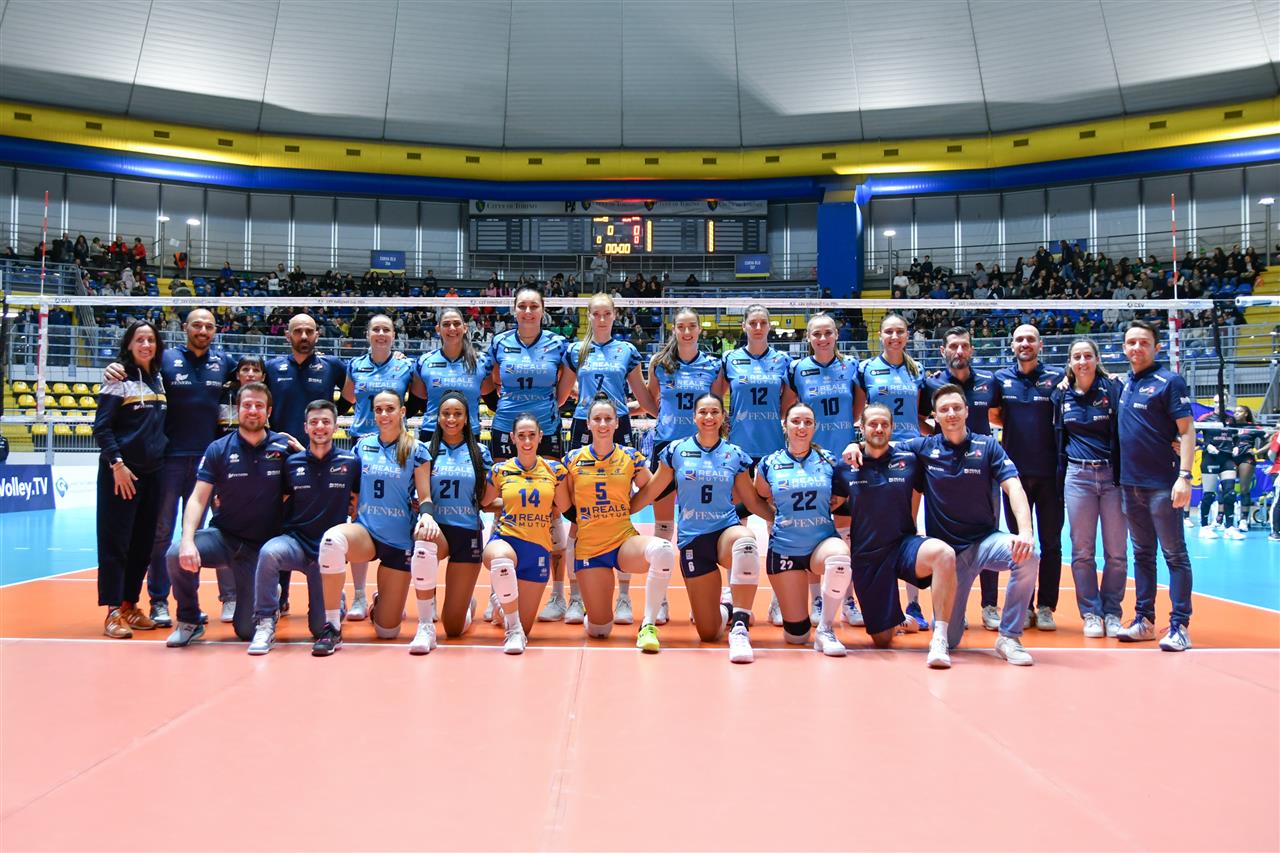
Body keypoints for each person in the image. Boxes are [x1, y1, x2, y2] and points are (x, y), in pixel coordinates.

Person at [850, 384, 1039, 665]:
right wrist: (854, 444)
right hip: (950, 557)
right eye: (944, 409)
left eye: (956, 408)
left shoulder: (987, 446)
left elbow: (1014, 487)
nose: (951, 413)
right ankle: (944, 628)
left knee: (1029, 556)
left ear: (967, 411)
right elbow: (880, 445)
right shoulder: (923, 448)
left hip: (985, 542)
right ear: (935, 416)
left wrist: (1025, 532)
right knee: (951, 640)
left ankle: (1009, 637)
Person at [103, 308, 239, 627]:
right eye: (197, 325)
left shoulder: (224, 362)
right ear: (185, 328)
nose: (202, 331)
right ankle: (158, 601)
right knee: (160, 533)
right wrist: (112, 366)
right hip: (167, 461)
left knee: (194, 535)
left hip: (205, 465)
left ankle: (189, 604)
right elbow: (134, 366)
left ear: (215, 330)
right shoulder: (165, 358)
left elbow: (255, 372)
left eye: (208, 326)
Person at [631, 394, 772, 664]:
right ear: (694, 417)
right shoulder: (676, 451)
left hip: (725, 531)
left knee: (746, 543)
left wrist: (780, 517)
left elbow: (752, 501)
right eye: (703, 412)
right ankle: (728, 609)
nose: (709, 417)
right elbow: (652, 490)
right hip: (693, 540)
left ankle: (740, 625)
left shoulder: (734, 454)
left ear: (722, 417)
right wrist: (624, 510)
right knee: (708, 632)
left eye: (715, 412)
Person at [544, 294, 656, 624]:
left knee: (618, 512)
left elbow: (644, 397)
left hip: (617, 424)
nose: (602, 318)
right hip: (584, 424)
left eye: (607, 313)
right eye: (596, 314)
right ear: (589, 316)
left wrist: (641, 409)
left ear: (615, 315)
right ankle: (574, 598)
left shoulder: (627, 351)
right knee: (580, 515)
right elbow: (561, 395)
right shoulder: (576, 351)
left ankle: (624, 599)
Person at [165, 383, 297, 647]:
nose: (253, 410)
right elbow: (198, 498)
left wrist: (303, 453)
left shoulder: (283, 447)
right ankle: (189, 620)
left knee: (246, 631)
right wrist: (188, 540)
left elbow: (307, 483)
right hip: (225, 538)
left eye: (259, 405)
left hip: (263, 549)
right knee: (175, 553)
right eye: (247, 405)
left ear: (269, 411)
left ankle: (268, 593)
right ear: (238, 410)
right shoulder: (218, 448)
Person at [834, 403, 957, 667]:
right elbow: (832, 504)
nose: (879, 428)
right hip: (868, 556)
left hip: (903, 546)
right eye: (873, 424)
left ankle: (940, 637)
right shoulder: (845, 466)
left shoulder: (909, 460)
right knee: (882, 639)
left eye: (884, 424)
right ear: (862, 427)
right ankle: (898, 620)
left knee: (944, 554)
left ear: (892, 428)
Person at [314, 391, 433, 653]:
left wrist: (425, 514)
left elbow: (425, 496)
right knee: (331, 541)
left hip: (399, 540)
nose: (383, 415)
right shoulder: (362, 446)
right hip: (366, 532)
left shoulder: (416, 449)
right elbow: (347, 481)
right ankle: (331, 626)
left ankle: (380, 602)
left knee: (387, 631)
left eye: (390, 409)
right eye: (378, 410)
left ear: (402, 412)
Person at [563, 394, 675, 652]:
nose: (603, 424)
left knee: (663, 550)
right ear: (588, 423)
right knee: (600, 630)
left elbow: (648, 489)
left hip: (623, 541)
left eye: (608, 419)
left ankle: (648, 625)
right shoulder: (572, 460)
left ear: (616, 423)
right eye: (597, 419)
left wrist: (629, 508)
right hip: (590, 549)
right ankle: (593, 610)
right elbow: (567, 503)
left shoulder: (630, 457)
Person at [246, 401, 359, 655]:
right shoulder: (291, 463)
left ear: (335, 427)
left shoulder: (351, 462)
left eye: (326, 422)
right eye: (314, 422)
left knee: (320, 628)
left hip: (327, 552)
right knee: (269, 553)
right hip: (296, 543)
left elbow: (357, 502)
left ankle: (336, 600)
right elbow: (279, 498)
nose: (320, 427)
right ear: (305, 427)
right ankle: (265, 622)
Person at [1114, 320, 1195, 651]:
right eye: (1131, 342)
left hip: (1163, 483)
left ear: (1157, 347)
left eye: (1144, 342)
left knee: (1174, 554)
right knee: (1142, 554)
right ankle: (1144, 621)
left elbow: (1186, 430)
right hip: (1129, 484)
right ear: (1124, 348)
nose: (1137, 347)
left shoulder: (1169, 381)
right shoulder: (1124, 383)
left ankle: (1180, 626)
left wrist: (1185, 476)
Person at [644, 307, 726, 623]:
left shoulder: (713, 366)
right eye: (681, 326)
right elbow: (653, 402)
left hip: (703, 449)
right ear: (674, 329)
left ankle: (703, 600)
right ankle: (661, 600)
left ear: (699, 329)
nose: (687, 332)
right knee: (663, 528)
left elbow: (715, 406)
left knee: (702, 526)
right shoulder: (660, 364)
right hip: (667, 447)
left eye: (692, 326)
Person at [339, 313, 423, 619]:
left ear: (393, 335)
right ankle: (360, 595)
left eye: (386, 329)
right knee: (358, 513)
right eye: (376, 329)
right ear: (368, 334)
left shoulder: (406, 366)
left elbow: (418, 399)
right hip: (363, 444)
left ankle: (391, 591)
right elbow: (348, 397)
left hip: (397, 445)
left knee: (399, 513)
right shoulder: (355, 365)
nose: (381, 333)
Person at [920, 326, 1004, 630]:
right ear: (943, 351)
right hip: (945, 471)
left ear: (971, 349)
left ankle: (989, 605)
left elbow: (998, 415)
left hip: (984, 471)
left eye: (964, 346)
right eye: (953, 346)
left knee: (988, 534)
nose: (959, 351)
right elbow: (921, 417)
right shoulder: (932, 384)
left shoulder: (989, 381)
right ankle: (951, 606)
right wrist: (938, 439)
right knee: (945, 540)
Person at [754, 402, 851, 656]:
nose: (801, 427)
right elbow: (761, 495)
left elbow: (841, 496)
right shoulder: (769, 463)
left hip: (821, 544)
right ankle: (791, 614)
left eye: (808, 422)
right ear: (784, 425)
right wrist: (777, 516)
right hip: (785, 549)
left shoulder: (829, 460)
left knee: (840, 556)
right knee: (796, 637)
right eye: (795, 421)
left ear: (815, 427)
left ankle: (826, 629)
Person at [93, 320, 168, 638]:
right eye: (140, 339)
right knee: (116, 543)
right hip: (122, 474)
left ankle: (129, 605)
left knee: (143, 544)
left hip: (153, 474)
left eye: (151, 339)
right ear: (129, 344)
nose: (146, 345)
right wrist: (117, 464)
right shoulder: (118, 378)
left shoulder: (159, 379)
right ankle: (112, 612)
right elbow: (101, 426)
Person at [853, 312, 929, 629]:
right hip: (876, 453)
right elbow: (857, 413)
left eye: (900, 331)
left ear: (907, 336)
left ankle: (914, 605)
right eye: (889, 332)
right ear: (880, 336)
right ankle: (867, 603)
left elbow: (920, 416)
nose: (894, 337)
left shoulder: (917, 370)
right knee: (873, 528)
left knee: (908, 526)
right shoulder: (865, 369)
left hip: (909, 455)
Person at [721, 305, 793, 625]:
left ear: (769, 326)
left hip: (773, 452)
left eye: (764, 322)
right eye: (753, 322)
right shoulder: (730, 359)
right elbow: (715, 396)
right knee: (737, 526)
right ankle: (731, 595)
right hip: (739, 453)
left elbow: (788, 400)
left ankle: (779, 599)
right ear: (744, 326)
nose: (759, 327)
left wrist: (775, 418)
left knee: (776, 525)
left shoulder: (782, 361)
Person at [992, 324, 1066, 631]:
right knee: (1020, 544)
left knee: (1051, 543)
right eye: (1019, 339)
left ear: (1040, 344)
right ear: (1012, 345)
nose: (1025, 343)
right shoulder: (1000, 378)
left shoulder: (1058, 377)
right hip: (1014, 478)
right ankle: (1024, 605)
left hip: (1050, 474)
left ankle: (1046, 607)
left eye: (1030, 339)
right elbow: (993, 414)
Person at [787, 312, 857, 624]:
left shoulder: (851, 366)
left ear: (836, 335)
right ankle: (816, 599)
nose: (823, 338)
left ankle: (848, 599)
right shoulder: (798, 369)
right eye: (816, 334)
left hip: (843, 461)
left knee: (845, 534)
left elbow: (856, 407)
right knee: (813, 530)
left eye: (828, 333)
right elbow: (791, 409)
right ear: (809, 338)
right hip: (811, 460)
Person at [1054, 338, 1127, 638]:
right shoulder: (1061, 394)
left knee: (1117, 552)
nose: (1082, 361)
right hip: (1078, 477)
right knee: (1082, 551)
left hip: (1112, 478)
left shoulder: (1113, 389)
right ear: (1070, 362)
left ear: (1097, 359)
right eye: (1077, 357)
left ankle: (1112, 612)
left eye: (1087, 356)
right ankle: (1091, 613)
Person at [481, 413, 571, 654]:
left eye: (532, 435)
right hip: (505, 540)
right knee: (501, 560)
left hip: (538, 550)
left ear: (541, 436)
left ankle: (503, 606)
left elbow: (564, 506)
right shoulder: (501, 470)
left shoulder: (555, 470)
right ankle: (512, 630)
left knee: (526, 626)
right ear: (513, 438)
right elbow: (484, 503)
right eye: (521, 436)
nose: (527, 441)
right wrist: (509, 505)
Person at [409, 391, 494, 647]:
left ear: (467, 419)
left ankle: (465, 603)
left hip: (467, 532)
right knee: (423, 538)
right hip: (437, 529)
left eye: (458, 414)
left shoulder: (480, 452)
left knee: (454, 628)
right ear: (438, 417)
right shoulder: (425, 450)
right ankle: (425, 624)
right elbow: (415, 491)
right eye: (446, 413)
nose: (451, 419)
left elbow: (485, 499)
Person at [487, 287, 572, 461]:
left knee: (549, 477)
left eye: (534, 306)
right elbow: (494, 379)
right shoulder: (499, 342)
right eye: (522, 306)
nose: (528, 311)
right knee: (505, 477)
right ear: (514, 310)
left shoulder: (558, 343)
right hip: (506, 425)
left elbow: (562, 392)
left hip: (546, 427)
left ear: (543, 309)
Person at [413, 306, 495, 443]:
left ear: (465, 328)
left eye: (456, 324)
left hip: (469, 433)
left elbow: (492, 401)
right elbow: (416, 403)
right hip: (432, 432)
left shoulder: (481, 362)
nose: (452, 328)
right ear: (438, 329)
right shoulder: (424, 361)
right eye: (446, 324)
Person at [263, 313, 347, 443]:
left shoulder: (332, 366)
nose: (304, 336)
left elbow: (353, 393)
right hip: (279, 447)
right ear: (288, 336)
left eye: (309, 331)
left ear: (316, 336)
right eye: (298, 331)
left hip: (319, 448)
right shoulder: (271, 368)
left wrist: (335, 412)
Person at [1195, 414, 1237, 539]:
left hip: (1227, 458)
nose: (1220, 405)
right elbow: (1190, 433)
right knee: (1209, 494)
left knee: (1230, 493)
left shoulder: (1231, 419)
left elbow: (1236, 436)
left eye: (1222, 403)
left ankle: (1229, 527)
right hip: (1211, 457)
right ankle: (1204, 527)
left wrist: (1236, 446)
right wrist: (1206, 445)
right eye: (1217, 403)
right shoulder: (1205, 418)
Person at [1227, 405, 1266, 539]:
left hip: (1246, 459)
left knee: (1244, 489)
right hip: (1230, 458)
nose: (1236, 413)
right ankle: (1224, 520)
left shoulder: (1253, 427)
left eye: (1240, 411)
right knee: (1227, 489)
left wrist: (1258, 451)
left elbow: (1270, 438)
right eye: (1235, 411)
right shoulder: (1229, 426)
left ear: (1246, 414)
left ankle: (1243, 520)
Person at [217, 355, 265, 433]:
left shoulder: (269, 399)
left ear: (263, 377)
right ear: (237, 375)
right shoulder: (223, 395)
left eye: (256, 370)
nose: (250, 374)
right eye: (245, 369)